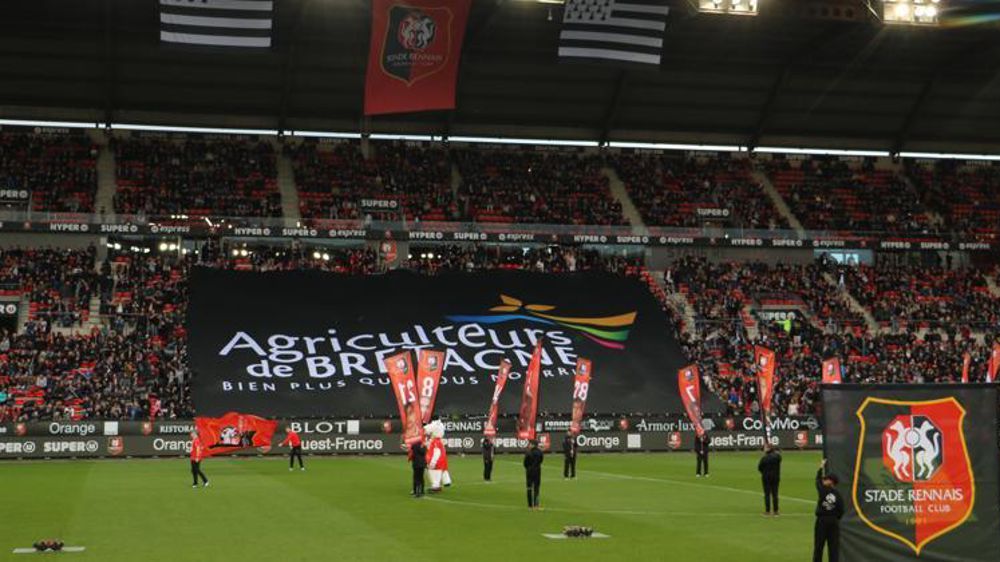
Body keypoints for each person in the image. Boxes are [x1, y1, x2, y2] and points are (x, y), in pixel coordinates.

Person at [814, 459, 844, 562]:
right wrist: (835, 517)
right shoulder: (838, 494)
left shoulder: (822, 490)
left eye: (826, 479)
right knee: (833, 547)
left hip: (822, 521)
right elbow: (841, 510)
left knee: (819, 546)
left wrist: (821, 467)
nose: (824, 480)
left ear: (831, 481)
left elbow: (817, 480)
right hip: (834, 521)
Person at [758, 445, 782, 516]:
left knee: (767, 494)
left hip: (766, 477)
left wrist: (764, 472)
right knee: (775, 494)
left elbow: (760, 467)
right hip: (776, 477)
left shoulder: (764, 458)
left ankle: (767, 511)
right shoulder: (777, 457)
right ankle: (776, 510)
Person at [523, 439, 544, 510]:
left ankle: (530, 505)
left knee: (529, 488)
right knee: (536, 488)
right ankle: (536, 505)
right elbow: (541, 460)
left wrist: (528, 468)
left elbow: (525, 463)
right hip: (537, 471)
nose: (529, 445)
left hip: (529, 471)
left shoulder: (528, 452)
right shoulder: (540, 452)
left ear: (532, 445)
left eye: (530, 444)